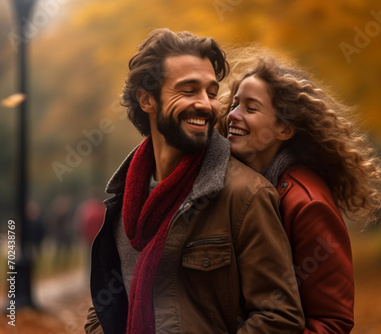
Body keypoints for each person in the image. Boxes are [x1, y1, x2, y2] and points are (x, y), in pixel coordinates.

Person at [84, 29, 305, 334]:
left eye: (212, 93)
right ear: (147, 99)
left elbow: (279, 317)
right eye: (189, 90)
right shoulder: (124, 201)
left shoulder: (246, 196)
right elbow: (102, 310)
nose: (207, 105)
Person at [220, 53, 381, 333]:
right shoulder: (235, 184)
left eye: (251, 109)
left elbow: (332, 321)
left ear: (285, 128)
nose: (233, 115)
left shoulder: (306, 204)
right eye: (234, 104)